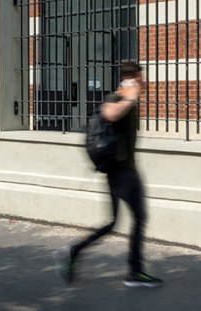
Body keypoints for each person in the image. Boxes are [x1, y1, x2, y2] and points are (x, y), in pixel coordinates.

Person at [54, 61, 162, 288]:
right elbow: (110, 114)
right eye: (140, 78)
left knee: (120, 221)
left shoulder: (127, 100)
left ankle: (76, 252)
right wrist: (130, 96)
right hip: (120, 172)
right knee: (133, 219)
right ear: (130, 78)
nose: (143, 82)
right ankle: (133, 271)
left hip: (127, 170)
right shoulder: (115, 99)